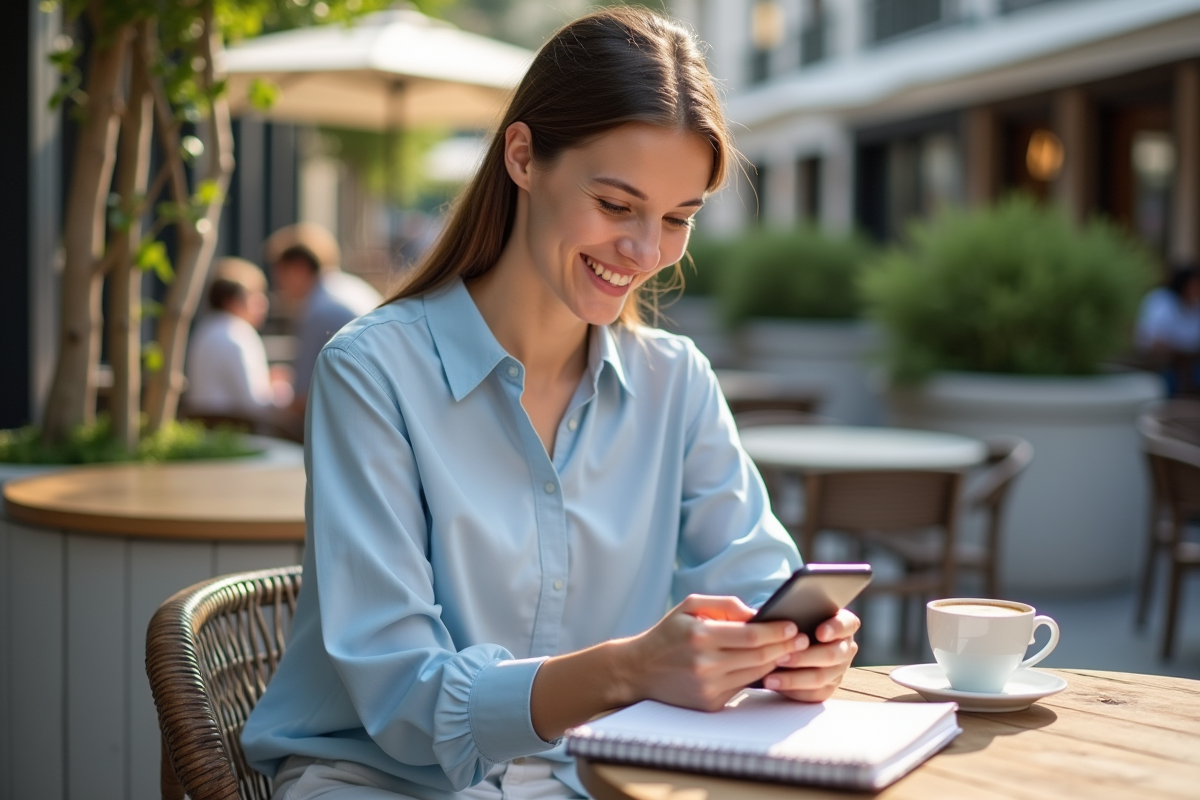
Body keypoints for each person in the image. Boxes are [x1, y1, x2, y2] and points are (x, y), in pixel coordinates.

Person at [242, 8, 860, 800]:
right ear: (524, 157)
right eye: (615, 205)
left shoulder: (678, 383)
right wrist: (630, 668)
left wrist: (801, 650)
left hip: (600, 778)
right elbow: (404, 698)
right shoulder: (372, 372)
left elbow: (756, 583)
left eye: (676, 219)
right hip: (384, 781)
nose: (646, 253)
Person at [269, 236, 382, 419]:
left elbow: (302, 399)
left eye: (281, 275)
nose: (279, 287)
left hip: (358, 416)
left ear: (299, 268)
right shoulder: (350, 286)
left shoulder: (318, 311)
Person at [183, 257, 292, 422]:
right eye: (254, 297)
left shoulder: (204, 330)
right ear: (231, 302)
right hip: (237, 433)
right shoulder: (239, 334)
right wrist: (280, 389)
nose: (264, 304)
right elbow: (255, 404)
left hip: (204, 429)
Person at [1135, 263, 1200, 394]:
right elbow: (1154, 341)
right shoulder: (1162, 301)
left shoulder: (1195, 307)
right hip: (1159, 364)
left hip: (1190, 363)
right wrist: (1181, 352)